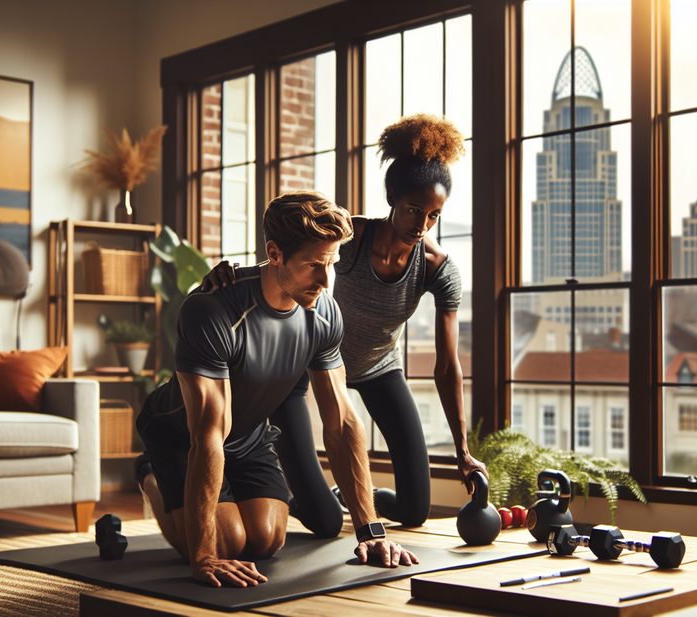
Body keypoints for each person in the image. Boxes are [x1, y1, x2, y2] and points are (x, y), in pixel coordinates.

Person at [204, 114, 487, 533]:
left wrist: (463, 450)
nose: (421, 225)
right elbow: (288, 264)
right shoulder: (349, 241)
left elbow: (447, 365)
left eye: (433, 215)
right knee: (323, 523)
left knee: (414, 512)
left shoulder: (438, 270)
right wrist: (228, 274)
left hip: (379, 368)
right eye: (413, 210)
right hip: (304, 369)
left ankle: (352, 497)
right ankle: (295, 498)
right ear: (392, 196)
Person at [134, 191, 419, 589]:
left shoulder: (323, 312)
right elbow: (208, 434)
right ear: (275, 253)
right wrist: (203, 558)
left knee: (266, 540)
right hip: (182, 437)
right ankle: (150, 474)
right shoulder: (212, 310)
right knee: (228, 543)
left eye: (332, 264)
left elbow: (341, 421)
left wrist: (371, 530)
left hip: (247, 436)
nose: (325, 280)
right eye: (313, 266)